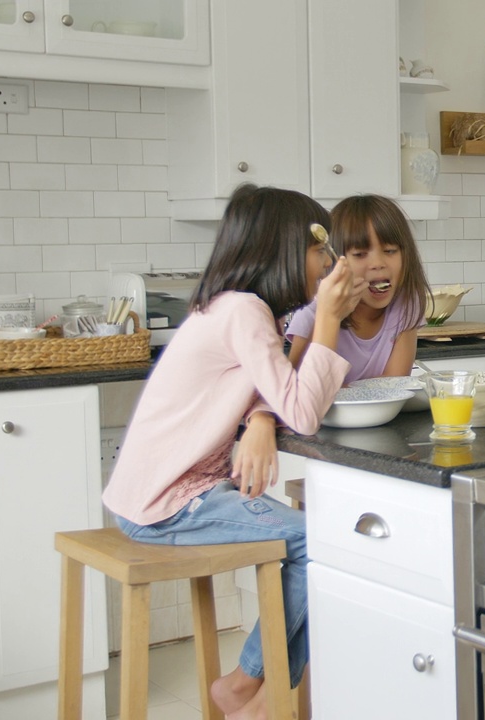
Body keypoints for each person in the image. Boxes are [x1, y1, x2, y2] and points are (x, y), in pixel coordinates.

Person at [103, 184, 365, 720]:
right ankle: (248, 686)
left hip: (173, 493)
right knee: (322, 542)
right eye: (321, 249)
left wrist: (258, 418)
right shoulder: (243, 311)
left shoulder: (235, 309)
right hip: (168, 502)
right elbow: (302, 411)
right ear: (286, 250)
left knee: (323, 547)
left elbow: (265, 394)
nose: (328, 262)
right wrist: (331, 319)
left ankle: (259, 694)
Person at [284, 194, 431, 383]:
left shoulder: (406, 303)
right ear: (336, 260)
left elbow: (396, 381)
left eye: (390, 251)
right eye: (360, 254)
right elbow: (294, 385)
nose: (378, 263)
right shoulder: (314, 311)